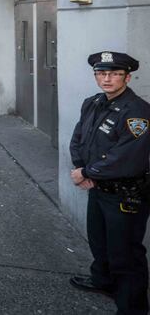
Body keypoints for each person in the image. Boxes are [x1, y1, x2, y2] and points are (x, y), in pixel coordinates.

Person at [69, 51, 150, 314]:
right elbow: (79, 138)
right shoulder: (93, 102)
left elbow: (127, 157)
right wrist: (81, 167)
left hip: (125, 195)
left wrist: (88, 173)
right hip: (99, 189)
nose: (107, 79)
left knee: (125, 255)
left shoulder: (137, 112)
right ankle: (103, 281)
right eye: (102, 73)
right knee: (99, 242)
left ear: (127, 77)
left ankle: (132, 308)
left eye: (114, 74)